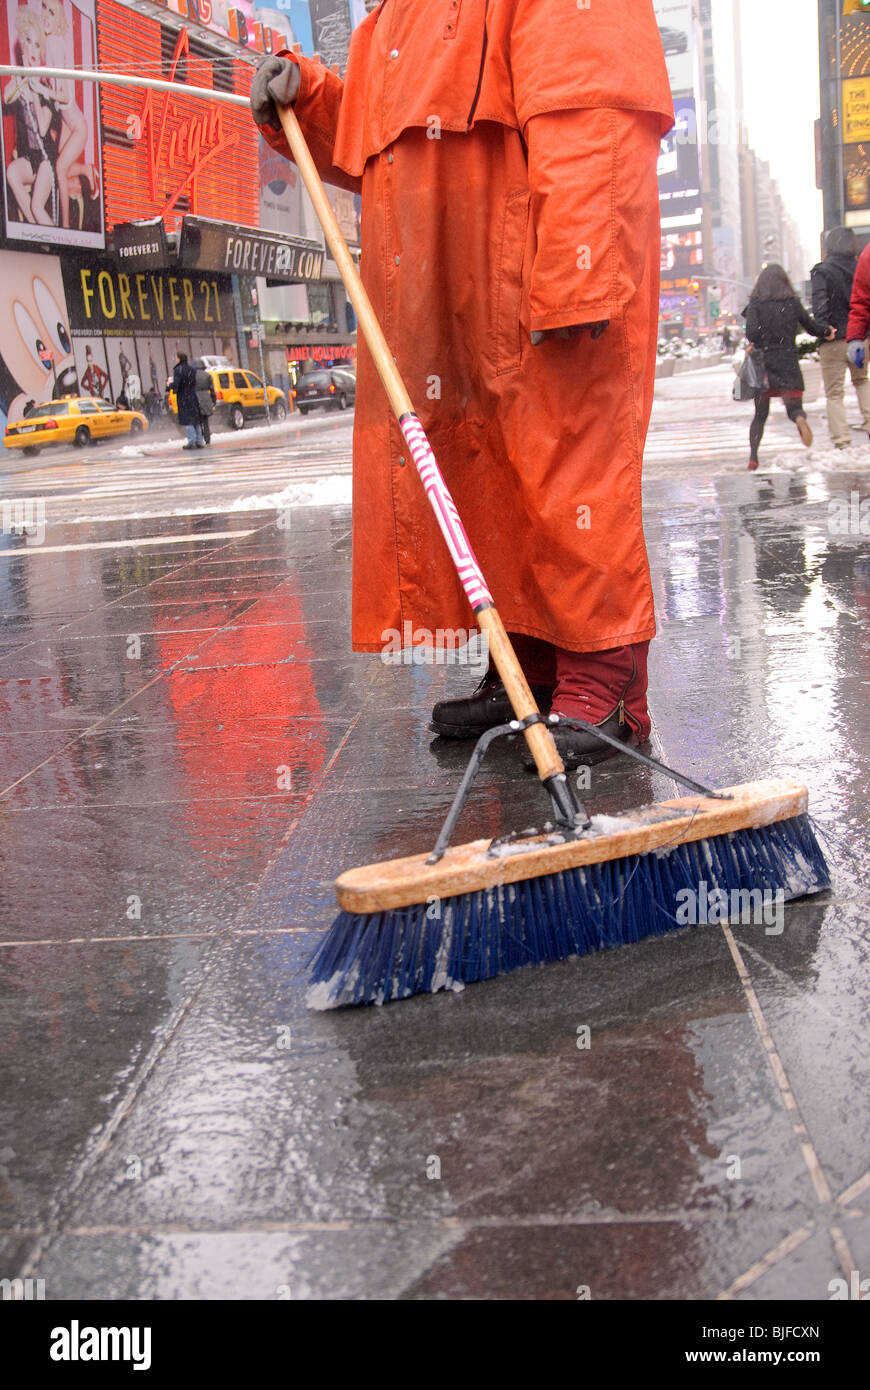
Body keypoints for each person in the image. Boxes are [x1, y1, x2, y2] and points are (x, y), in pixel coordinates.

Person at [251, 0, 674, 766]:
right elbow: (381, 148)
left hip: (533, 267)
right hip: (445, 289)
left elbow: (593, 106)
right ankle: (530, 672)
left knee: (567, 466)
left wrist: (581, 268)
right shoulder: (393, 19)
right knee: (483, 477)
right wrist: (310, 101)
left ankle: (601, 671)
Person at [742, 265, 834, 471]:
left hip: (765, 362)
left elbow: (752, 333)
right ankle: (799, 419)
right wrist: (827, 331)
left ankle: (753, 458)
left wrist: (759, 340)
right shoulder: (792, 302)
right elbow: (810, 327)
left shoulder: (756, 304)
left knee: (760, 415)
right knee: (794, 407)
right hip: (787, 359)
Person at [37, 0, 99, 231]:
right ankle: (85, 170)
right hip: (67, 120)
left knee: (60, 169)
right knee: (58, 168)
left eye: (51, 12)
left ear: (58, 18)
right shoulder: (54, 42)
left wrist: (42, 89)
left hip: (76, 125)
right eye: (43, 8)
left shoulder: (54, 44)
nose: (45, 15)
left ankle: (64, 227)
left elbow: (63, 96)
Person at [811, 227, 870, 448]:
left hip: (833, 339)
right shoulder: (861, 266)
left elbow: (820, 302)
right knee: (862, 382)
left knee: (834, 393)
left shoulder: (822, 271)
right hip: (860, 337)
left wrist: (825, 328)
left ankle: (842, 441)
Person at [3, 10, 59, 227]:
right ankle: (34, 232)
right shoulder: (20, 79)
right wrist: (24, 77)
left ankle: (54, 243)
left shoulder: (45, 87)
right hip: (28, 157)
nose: (32, 49)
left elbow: (43, 128)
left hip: (47, 159)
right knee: (12, 173)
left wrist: (34, 89)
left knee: (37, 206)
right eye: (28, 41)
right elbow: (7, 97)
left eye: (37, 44)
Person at [172, 352, 204, 449]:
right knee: (196, 419)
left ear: (180, 359)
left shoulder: (178, 370)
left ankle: (191, 441)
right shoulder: (192, 369)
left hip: (183, 397)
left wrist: (170, 386)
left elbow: (177, 385)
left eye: (176, 358)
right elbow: (194, 382)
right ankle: (200, 441)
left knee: (188, 419)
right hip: (192, 396)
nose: (175, 359)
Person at [194, 361, 216, 445]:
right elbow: (212, 390)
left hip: (195, 399)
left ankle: (199, 438)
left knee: (197, 422)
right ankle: (207, 438)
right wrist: (213, 401)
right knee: (205, 421)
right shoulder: (208, 375)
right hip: (206, 399)